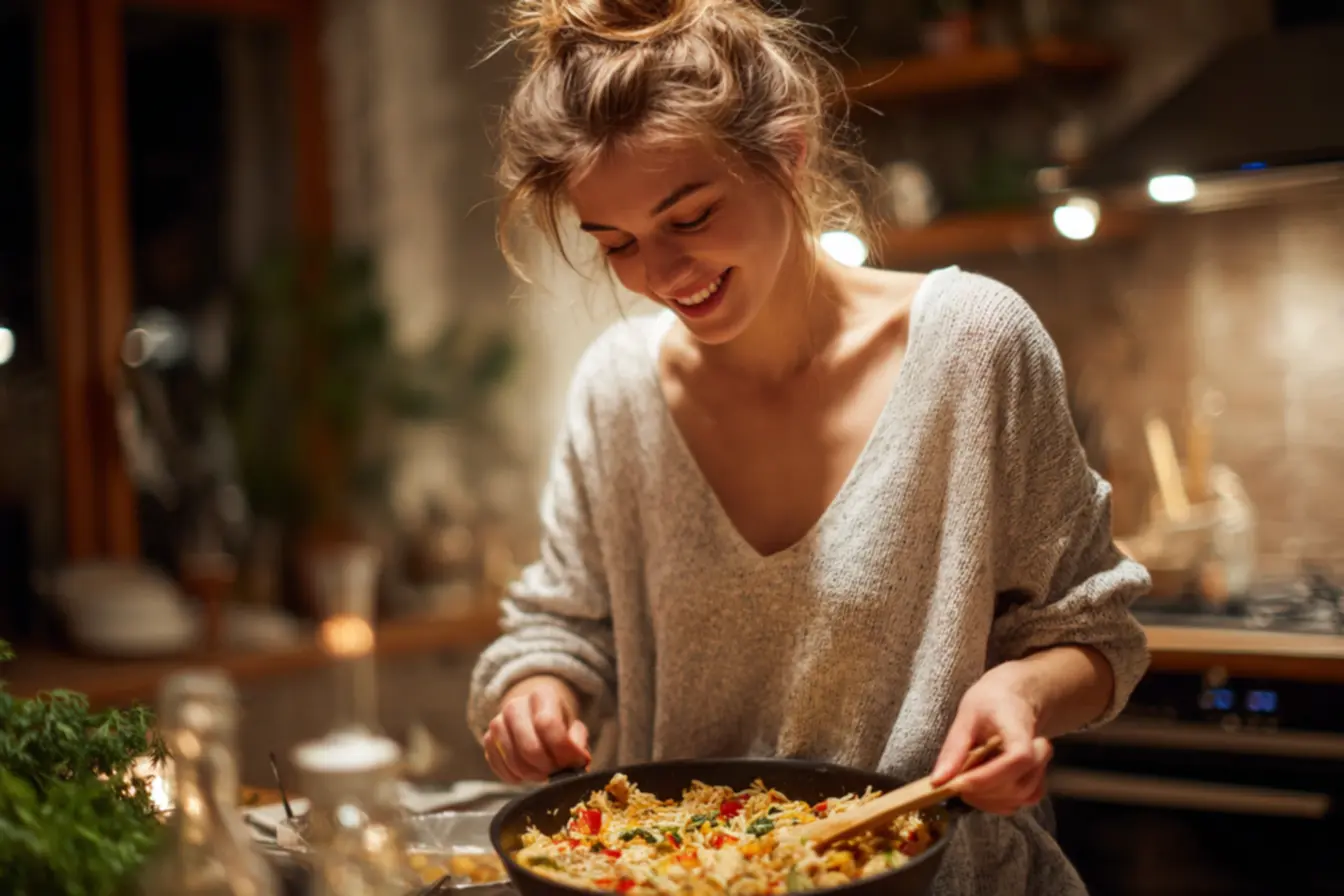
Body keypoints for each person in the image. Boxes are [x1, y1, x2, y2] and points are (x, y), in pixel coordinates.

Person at [466, 1, 1151, 892]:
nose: (664, 275)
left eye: (692, 215)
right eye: (618, 244)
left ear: (786, 151)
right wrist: (538, 692)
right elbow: (562, 629)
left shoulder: (974, 346)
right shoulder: (616, 391)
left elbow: (1095, 634)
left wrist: (1022, 693)